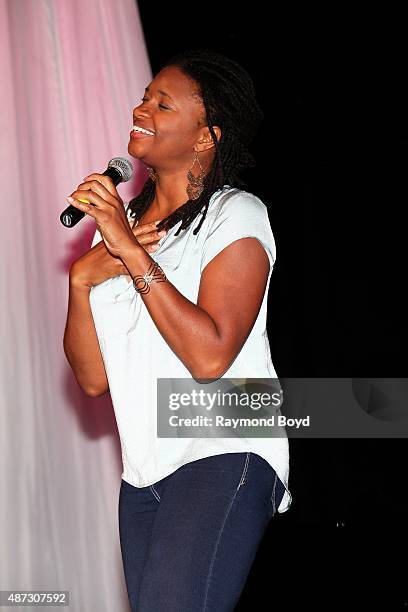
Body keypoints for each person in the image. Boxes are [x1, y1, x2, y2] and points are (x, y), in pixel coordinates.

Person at [63, 49, 292, 611]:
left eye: (162, 103)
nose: (142, 108)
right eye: (144, 97)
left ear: (205, 137)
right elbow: (92, 379)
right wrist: (79, 279)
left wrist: (128, 252)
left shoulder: (234, 213)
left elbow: (210, 357)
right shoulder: (116, 234)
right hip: (143, 475)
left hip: (222, 448)